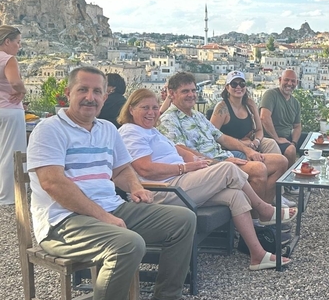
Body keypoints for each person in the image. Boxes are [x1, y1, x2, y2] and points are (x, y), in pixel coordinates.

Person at [27, 66, 204, 300]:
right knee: (128, 243)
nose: (90, 97)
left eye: (97, 91)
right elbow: (53, 183)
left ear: (105, 95)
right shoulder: (50, 130)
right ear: (67, 93)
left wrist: (135, 187)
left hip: (111, 209)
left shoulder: (107, 129)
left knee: (183, 219)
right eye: (82, 90)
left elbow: (122, 168)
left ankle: (165, 299)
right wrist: (104, 217)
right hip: (63, 222)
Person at [118, 89, 295, 270]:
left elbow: (181, 152)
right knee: (228, 168)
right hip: (163, 190)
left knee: (235, 195)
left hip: (181, 182)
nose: (151, 112)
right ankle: (264, 210)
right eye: (145, 107)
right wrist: (185, 168)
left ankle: (257, 255)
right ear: (131, 109)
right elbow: (145, 169)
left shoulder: (152, 131)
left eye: (155, 108)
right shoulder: (131, 132)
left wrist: (200, 162)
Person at [158, 72, 288, 206]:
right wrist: (218, 162)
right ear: (172, 94)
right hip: (207, 167)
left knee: (281, 162)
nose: (191, 95)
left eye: (193, 90)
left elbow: (222, 137)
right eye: (185, 91)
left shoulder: (197, 116)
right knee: (259, 169)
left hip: (224, 157)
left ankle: (265, 214)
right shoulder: (169, 119)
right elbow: (181, 150)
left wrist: (248, 151)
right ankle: (258, 217)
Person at [211, 71, 282, 156]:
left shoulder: (249, 104)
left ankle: (278, 164)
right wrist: (242, 144)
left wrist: (257, 141)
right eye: (234, 84)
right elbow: (213, 136)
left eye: (242, 84)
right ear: (227, 87)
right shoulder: (222, 108)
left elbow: (259, 130)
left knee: (271, 144)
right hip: (230, 148)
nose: (238, 87)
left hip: (250, 143)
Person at [0, 25, 27, 205]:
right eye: (17, 42)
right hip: (10, 109)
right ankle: (8, 196)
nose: (19, 46)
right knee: (12, 153)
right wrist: (23, 90)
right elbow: (15, 82)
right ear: (7, 41)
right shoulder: (8, 59)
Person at [259, 68, 306, 167]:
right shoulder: (271, 95)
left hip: (286, 138)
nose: (289, 83)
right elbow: (264, 117)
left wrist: (293, 142)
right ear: (280, 80)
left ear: (296, 83)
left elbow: (297, 126)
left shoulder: (295, 103)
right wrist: (277, 138)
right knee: (290, 150)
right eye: (286, 80)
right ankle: (285, 180)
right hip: (269, 138)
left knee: (309, 144)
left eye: (293, 81)